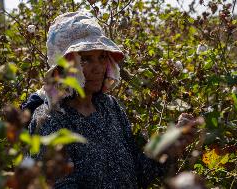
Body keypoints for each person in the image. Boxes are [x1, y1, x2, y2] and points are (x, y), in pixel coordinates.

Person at [22, 11, 193, 189]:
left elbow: (138, 173)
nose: (98, 69)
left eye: (102, 57)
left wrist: (171, 145)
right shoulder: (51, 119)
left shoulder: (110, 107)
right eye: (86, 60)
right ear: (64, 67)